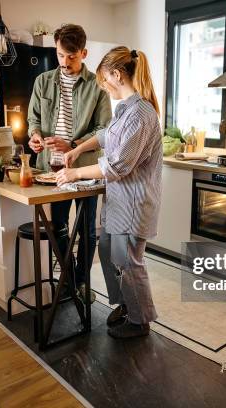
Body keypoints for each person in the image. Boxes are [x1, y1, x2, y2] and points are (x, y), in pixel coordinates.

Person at [56, 46, 162, 339]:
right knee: (106, 251)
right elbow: (105, 136)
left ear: (116, 75)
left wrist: (75, 173)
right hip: (119, 203)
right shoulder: (124, 109)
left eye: (104, 80)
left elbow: (117, 166)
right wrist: (78, 148)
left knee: (129, 262)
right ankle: (127, 305)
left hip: (135, 203)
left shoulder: (142, 113)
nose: (103, 86)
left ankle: (140, 321)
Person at [27, 24, 112, 303]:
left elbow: (104, 129)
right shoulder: (43, 82)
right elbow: (33, 120)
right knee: (59, 226)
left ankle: (83, 281)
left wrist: (73, 145)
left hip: (85, 168)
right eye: (60, 55)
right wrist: (35, 137)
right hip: (50, 169)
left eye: (71, 57)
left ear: (83, 53)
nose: (64, 62)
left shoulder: (98, 87)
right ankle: (70, 279)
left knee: (87, 229)